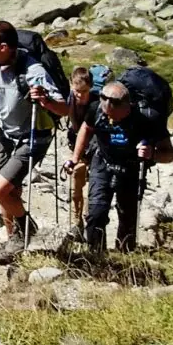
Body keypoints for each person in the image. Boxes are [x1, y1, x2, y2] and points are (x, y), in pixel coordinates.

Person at [0, 20, 70, 264]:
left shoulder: (33, 71)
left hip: (32, 137)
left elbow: (65, 109)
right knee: (9, 192)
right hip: (5, 134)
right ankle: (13, 243)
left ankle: (26, 229)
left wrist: (44, 99)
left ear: (3, 46)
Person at [66, 80, 173, 253]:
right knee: (95, 213)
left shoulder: (148, 118)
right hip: (102, 162)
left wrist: (152, 154)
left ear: (128, 106)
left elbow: (169, 154)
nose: (111, 119)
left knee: (127, 216)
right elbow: (85, 130)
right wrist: (74, 159)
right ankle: (96, 256)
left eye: (115, 116)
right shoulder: (96, 109)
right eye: (107, 114)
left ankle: (125, 254)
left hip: (131, 169)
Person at [63, 67, 97, 241]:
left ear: (91, 87)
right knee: (77, 177)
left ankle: (89, 218)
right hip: (77, 146)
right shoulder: (68, 100)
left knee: (94, 185)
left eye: (84, 91)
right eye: (77, 91)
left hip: (96, 147)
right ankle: (77, 221)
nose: (80, 95)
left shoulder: (98, 102)